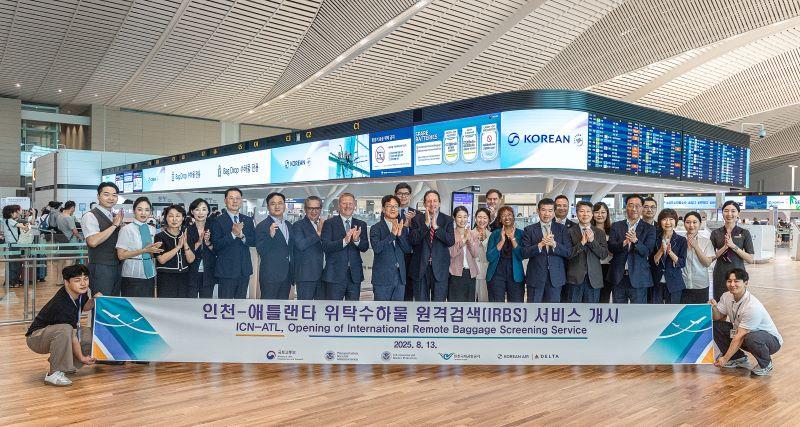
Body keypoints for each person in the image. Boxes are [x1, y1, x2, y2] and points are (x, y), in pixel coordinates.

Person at [25, 264, 99, 386]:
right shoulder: (62, 303)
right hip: (36, 338)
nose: (83, 283)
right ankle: (53, 374)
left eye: (85, 279)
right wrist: (82, 358)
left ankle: (64, 364)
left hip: (57, 333)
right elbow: (73, 336)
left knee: (91, 334)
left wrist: (95, 300)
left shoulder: (80, 293)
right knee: (66, 329)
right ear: (66, 282)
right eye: (77, 280)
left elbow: (84, 307)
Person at [711, 268, 782, 376]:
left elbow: (739, 337)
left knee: (751, 337)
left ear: (746, 283)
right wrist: (714, 307)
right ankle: (737, 358)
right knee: (715, 325)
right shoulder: (726, 296)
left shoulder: (752, 306)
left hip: (769, 341)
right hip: (744, 334)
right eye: (729, 281)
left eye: (736, 281)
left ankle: (765, 364)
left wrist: (725, 359)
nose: (732, 284)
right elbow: (717, 317)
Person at [607, 195, 656, 304]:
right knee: (618, 313)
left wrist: (635, 241)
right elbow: (611, 247)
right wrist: (624, 243)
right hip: (618, 277)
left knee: (638, 315)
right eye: (631, 205)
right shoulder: (616, 225)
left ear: (642, 208)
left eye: (637, 206)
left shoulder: (650, 229)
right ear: (626, 207)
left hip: (639, 278)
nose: (634, 209)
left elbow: (647, 252)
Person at [522, 198, 572, 303]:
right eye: (543, 210)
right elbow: (524, 253)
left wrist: (554, 244)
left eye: (550, 210)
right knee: (533, 312)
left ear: (554, 212)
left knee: (553, 313)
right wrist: (540, 245)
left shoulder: (562, 229)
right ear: (538, 211)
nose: (546, 214)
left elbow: (568, 252)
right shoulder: (529, 229)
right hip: (535, 278)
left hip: (556, 278)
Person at [320, 193, 369, 300]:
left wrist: (356, 240)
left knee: (352, 311)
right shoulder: (329, 223)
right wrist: (344, 241)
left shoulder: (361, 224)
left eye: (350, 203)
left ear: (354, 205)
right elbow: (325, 246)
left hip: (354, 276)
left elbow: (365, 247)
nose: (348, 206)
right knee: (333, 311)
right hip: (334, 275)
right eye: (344, 203)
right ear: (339, 205)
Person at [409, 190, 455, 301]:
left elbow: (450, 241)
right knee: (421, 305)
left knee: (438, 305)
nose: (432, 204)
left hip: (440, 269)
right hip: (420, 268)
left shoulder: (447, 220)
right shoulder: (416, 219)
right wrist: (425, 225)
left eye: (435, 201)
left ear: (439, 203)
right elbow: (413, 240)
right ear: (424, 204)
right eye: (429, 201)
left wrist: (436, 228)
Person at [211, 188, 256, 299]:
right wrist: (232, 234)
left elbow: (254, 241)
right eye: (231, 198)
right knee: (226, 308)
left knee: (240, 307)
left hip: (243, 271)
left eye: (237, 198)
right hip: (226, 272)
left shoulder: (248, 220)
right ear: (225, 201)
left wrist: (242, 236)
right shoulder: (217, 221)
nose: (234, 201)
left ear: (241, 201)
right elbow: (216, 245)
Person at [81, 182, 125, 296]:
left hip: (117, 266)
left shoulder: (114, 216)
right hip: (101, 268)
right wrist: (114, 226)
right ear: (98, 196)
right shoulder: (90, 216)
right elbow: (92, 241)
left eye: (114, 195)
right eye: (106, 194)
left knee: (113, 305)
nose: (111, 198)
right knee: (102, 304)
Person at [116, 197, 163, 297]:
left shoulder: (152, 229)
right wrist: (144, 250)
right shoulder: (126, 230)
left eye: (147, 210)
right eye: (140, 209)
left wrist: (154, 249)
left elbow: (151, 252)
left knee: (147, 308)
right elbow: (121, 255)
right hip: (132, 275)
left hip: (150, 274)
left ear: (150, 212)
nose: (143, 213)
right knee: (132, 309)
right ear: (134, 211)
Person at [370, 195, 412, 301]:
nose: (393, 209)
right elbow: (377, 248)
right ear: (383, 209)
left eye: (395, 206)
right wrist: (392, 235)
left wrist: (400, 234)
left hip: (400, 278)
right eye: (389, 206)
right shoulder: (376, 228)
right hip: (382, 278)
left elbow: (407, 249)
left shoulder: (401, 226)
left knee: (397, 312)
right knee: (382, 313)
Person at [711, 201, 754, 301]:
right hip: (720, 273)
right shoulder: (716, 233)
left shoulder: (744, 233)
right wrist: (724, 248)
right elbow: (711, 257)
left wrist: (734, 246)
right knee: (719, 304)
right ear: (722, 213)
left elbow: (750, 259)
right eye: (726, 211)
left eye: (733, 211)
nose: (729, 214)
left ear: (738, 214)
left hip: (738, 274)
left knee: (738, 305)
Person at [566, 201, 609, 303]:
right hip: (574, 279)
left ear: (592, 214)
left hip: (593, 280)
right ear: (576, 213)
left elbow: (603, 254)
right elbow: (567, 254)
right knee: (573, 312)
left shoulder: (599, 233)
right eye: (582, 211)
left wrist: (592, 241)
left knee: (591, 314)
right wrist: (581, 243)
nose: (585, 214)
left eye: (588, 211)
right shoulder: (569, 232)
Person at [256, 192, 293, 300]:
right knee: (268, 311)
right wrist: (270, 236)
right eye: (273, 203)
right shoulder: (262, 226)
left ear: (284, 206)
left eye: (280, 203)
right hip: (270, 277)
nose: (277, 206)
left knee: (281, 310)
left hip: (286, 276)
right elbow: (261, 250)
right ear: (268, 207)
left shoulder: (289, 225)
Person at [154, 204, 195, 298]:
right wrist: (178, 247)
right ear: (166, 218)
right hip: (166, 278)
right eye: (171, 216)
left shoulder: (187, 235)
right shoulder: (160, 236)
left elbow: (191, 259)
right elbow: (161, 259)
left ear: (183, 218)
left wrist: (185, 244)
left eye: (178, 216)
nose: (174, 219)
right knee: (166, 308)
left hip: (184, 277)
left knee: (182, 308)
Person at [486, 206, 524, 302]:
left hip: (515, 272)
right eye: (503, 216)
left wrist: (512, 239)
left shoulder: (521, 234)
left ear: (513, 217)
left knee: (516, 305)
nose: (507, 218)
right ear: (500, 219)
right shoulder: (495, 234)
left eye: (509, 215)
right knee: (496, 305)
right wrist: (502, 241)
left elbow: (521, 256)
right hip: (496, 272)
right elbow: (489, 257)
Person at [650, 208, 687, 304]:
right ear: (660, 222)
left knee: (672, 312)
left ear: (675, 221)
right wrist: (661, 250)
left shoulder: (681, 240)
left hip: (674, 283)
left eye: (671, 219)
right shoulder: (654, 238)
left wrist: (670, 252)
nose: (668, 222)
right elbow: (651, 262)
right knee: (656, 312)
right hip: (656, 281)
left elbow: (682, 263)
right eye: (664, 219)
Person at [292, 196, 325, 300]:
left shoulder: (325, 224)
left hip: (324, 275)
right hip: (306, 275)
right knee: (305, 309)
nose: (314, 211)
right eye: (311, 208)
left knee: (321, 310)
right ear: (305, 209)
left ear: (321, 209)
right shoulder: (298, 225)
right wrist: (318, 233)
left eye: (317, 208)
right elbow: (300, 244)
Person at [681, 211, 715, 304]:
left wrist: (696, 246)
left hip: (701, 285)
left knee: (699, 314)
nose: (691, 225)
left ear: (700, 224)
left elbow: (707, 263)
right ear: (684, 224)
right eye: (688, 222)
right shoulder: (679, 241)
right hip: (683, 285)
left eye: (695, 222)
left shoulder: (706, 242)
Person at [448, 206, 480, 302]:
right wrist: (463, 240)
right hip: (455, 273)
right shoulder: (450, 234)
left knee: (469, 303)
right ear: (454, 218)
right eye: (459, 217)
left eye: (465, 217)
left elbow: (475, 254)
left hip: (470, 273)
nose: (463, 220)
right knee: (455, 304)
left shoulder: (473, 234)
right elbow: (452, 253)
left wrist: (469, 239)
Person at [186, 198, 216, 298]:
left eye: (204, 209)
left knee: (206, 305)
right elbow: (185, 252)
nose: (201, 212)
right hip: (191, 274)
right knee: (190, 306)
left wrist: (208, 242)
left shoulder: (214, 228)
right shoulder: (187, 230)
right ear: (192, 211)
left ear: (208, 211)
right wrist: (198, 242)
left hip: (208, 273)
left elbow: (218, 251)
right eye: (197, 209)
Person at [394, 182, 418, 301]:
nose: (403, 196)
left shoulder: (417, 214)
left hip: (411, 257)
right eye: (400, 194)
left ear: (410, 196)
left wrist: (410, 224)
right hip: (395, 257)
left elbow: (419, 236)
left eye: (406, 194)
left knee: (408, 292)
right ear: (395, 195)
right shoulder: (389, 213)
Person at [591, 201, 614, 303]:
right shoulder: (588, 230)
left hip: (609, 268)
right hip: (593, 267)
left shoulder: (613, 229)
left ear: (607, 214)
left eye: (603, 212)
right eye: (597, 212)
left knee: (604, 297)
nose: (600, 215)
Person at [3, 204, 29, 288]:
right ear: (11, 213)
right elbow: (24, 227)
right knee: (14, 264)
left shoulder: (6, 220)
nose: (17, 213)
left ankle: (10, 282)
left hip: (9, 245)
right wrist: (25, 225)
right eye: (16, 212)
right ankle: (12, 282)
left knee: (11, 264)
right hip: (13, 245)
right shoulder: (10, 221)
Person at [473, 208, 491, 302]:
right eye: (479, 217)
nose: (482, 220)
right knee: (470, 302)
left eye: (485, 218)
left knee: (484, 302)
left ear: (488, 220)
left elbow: (491, 255)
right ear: (475, 219)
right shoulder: (469, 234)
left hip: (486, 273)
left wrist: (484, 240)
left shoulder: (492, 235)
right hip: (471, 274)